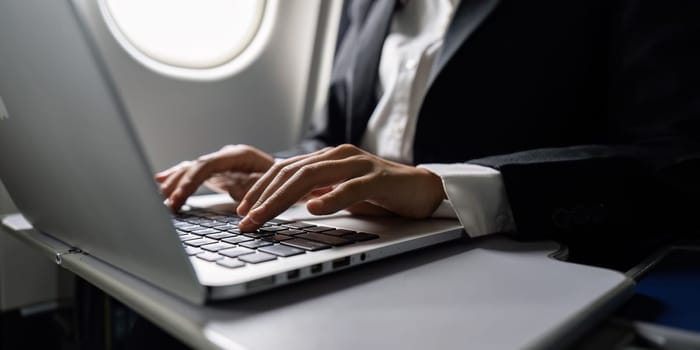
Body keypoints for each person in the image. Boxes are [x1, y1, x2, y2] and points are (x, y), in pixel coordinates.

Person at [156, 0, 700, 268]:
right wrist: (278, 169)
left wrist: (444, 187)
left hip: (506, 254)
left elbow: (675, 158)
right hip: (354, 238)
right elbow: (338, 138)